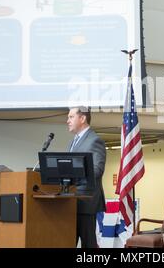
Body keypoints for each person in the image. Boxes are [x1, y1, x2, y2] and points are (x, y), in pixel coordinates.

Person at [66, 106, 106, 248]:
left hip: (85, 201)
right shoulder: (73, 141)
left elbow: (97, 170)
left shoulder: (94, 140)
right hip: (70, 201)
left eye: (71, 117)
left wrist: (73, 173)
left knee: (88, 244)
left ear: (82, 118)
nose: (67, 121)